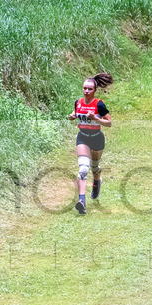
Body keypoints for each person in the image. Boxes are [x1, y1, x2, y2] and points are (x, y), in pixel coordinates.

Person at [67, 72, 113, 214]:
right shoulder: (78, 102)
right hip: (83, 138)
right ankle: (82, 201)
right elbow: (76, 113)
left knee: (94, 168)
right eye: (84, 88)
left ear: (94, 90)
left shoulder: (99, 104)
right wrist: (72, 116)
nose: (86, 91)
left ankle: (97, 182)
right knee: (83, 169)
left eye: (89, 89)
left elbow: (109, 123)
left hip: (97, 138)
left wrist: (96, 119)